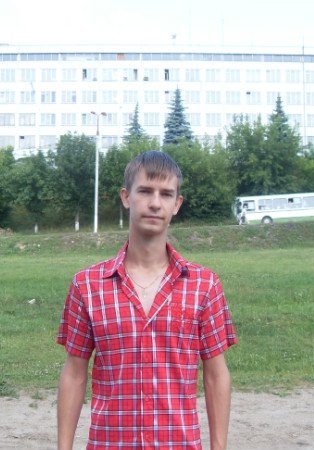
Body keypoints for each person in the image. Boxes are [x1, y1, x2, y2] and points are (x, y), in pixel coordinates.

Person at [57, 151, 237, 450]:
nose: (155, 203)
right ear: (126, 197)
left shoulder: (204, 285)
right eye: (145, 191)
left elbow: (216, 376)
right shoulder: (87, 286)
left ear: (177, 204)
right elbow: (74, 374)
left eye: (166, 194)